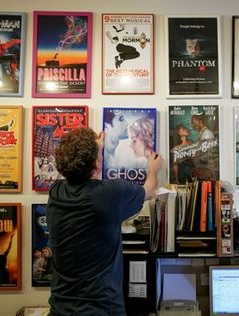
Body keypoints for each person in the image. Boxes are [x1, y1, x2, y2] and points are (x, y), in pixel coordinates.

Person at [46, 127, 162, 315]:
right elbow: (149, 190)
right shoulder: (107, 194)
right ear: (97, 165)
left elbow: (81, 170)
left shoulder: (56, 192)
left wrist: (95, 149)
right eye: (99, 155)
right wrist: (154, 170)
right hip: (101, 309)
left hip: (60, 309)